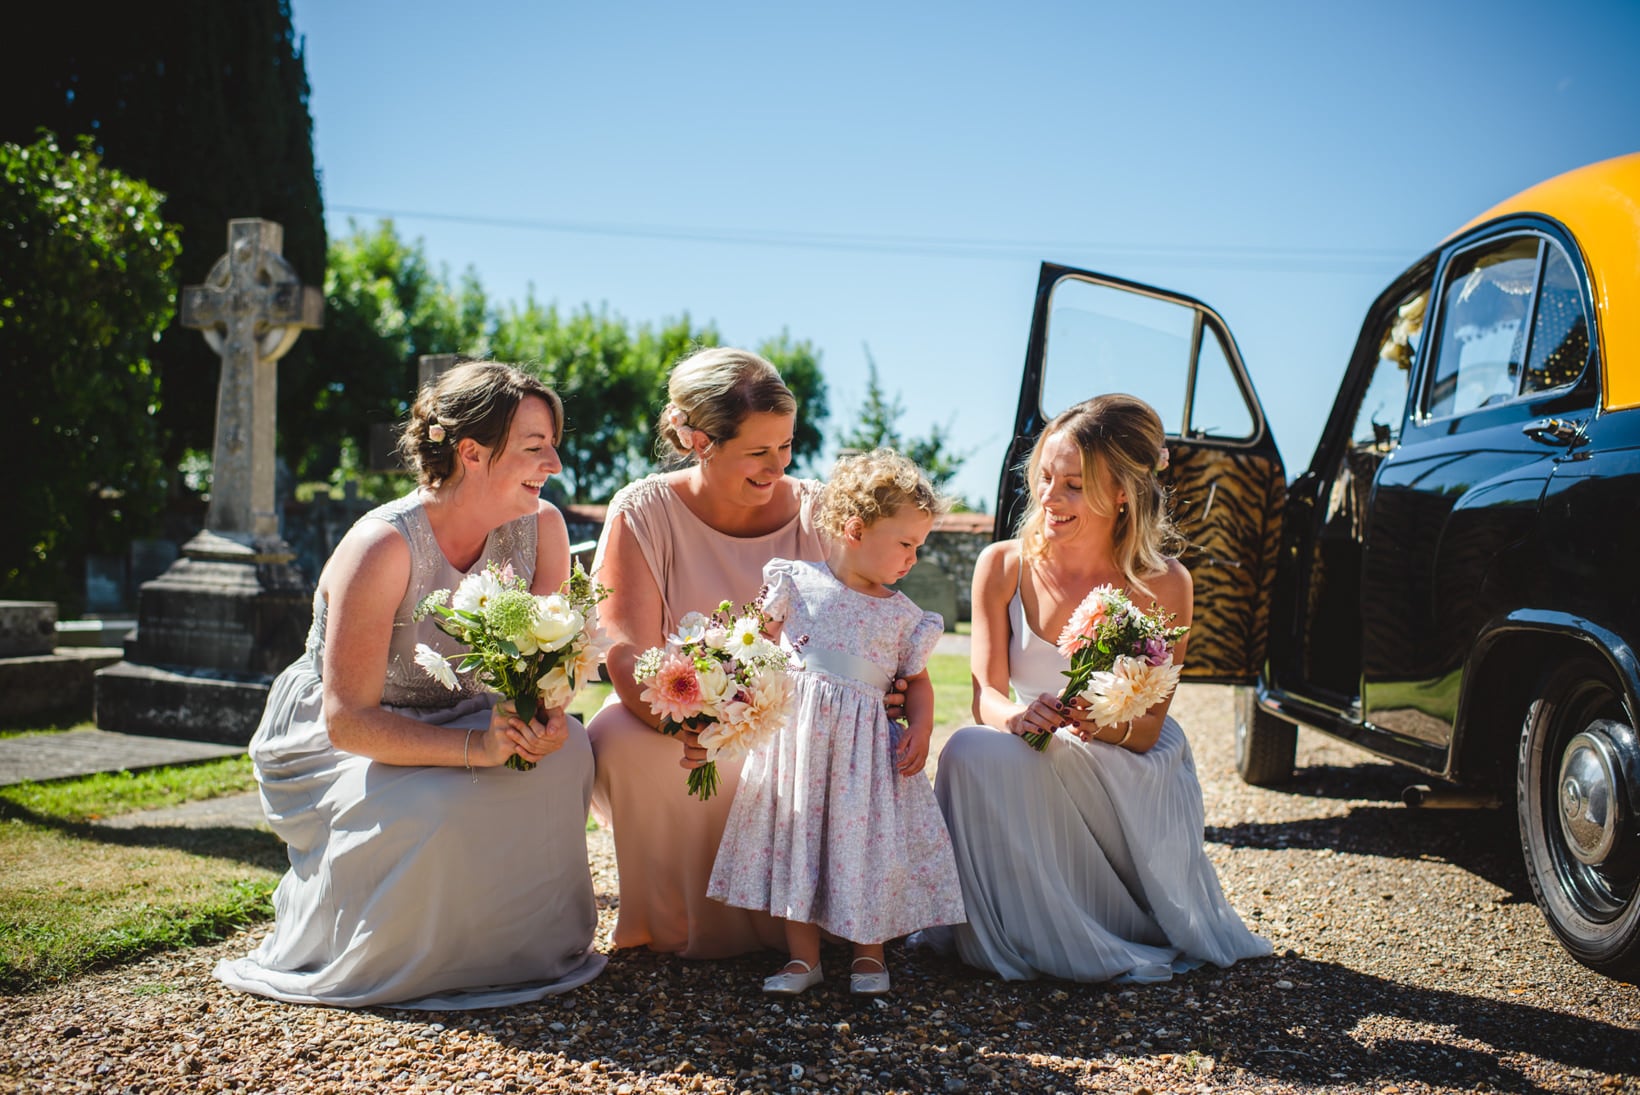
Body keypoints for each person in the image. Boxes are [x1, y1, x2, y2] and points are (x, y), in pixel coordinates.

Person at [213, 362, 606, 1008]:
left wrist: (542, 717)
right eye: (536, 448)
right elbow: (348, 719)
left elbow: (544, 670)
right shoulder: (383, 547)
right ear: (471, 452)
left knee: (569, 759)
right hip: (346, 735)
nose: (556, 464)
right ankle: (401, 947)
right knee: (438, 806)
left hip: (469, 708)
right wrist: (479, 750)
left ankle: (507, 946)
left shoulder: (545, 530)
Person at [926, 394, 1271, 983]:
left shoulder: (1164, 584)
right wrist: (1013, 717)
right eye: (1045, 478)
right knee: (965, 749)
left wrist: (1098, 724)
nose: (1050, 499)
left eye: (1074, 486)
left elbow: (1148, 731)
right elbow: (986, 690)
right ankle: (1013, 928)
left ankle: (1097, 926)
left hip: (1121, 763)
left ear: (1122, 495)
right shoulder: (1001, 565)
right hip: (1026, 744)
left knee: (1036, 754)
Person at [587, 347, 830, 957]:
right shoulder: (643, 511)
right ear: (698, 440)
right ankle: (674, 922)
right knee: (614, 734)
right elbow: (625, 652)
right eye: (757, 451)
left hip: (802, 722)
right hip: (682, 718)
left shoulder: (822, 511)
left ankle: (803, 920)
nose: (778, 466)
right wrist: (696, 725)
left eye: (786, 446)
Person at [708, 450, 966, 996]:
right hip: (798, 747)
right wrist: (727, 675)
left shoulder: (903, 616)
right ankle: (804, 959)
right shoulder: (796, 583)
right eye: (905, 544)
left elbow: (915, 681)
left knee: (863, 846)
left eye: (919, 547)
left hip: (865, 759)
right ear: (854, 529)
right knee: (795, 839)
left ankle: (868, 955)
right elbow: (748, 639)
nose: (913, 559)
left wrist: (921, 727)